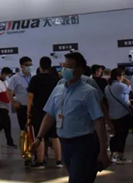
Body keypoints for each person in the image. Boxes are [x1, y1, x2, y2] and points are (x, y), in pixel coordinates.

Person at [31, 52, 110, 183]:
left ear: (80, 70)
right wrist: (39, 137)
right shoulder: (58, 90)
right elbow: (49, 115)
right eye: (64, 66)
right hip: (65, 144)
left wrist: (103, 150)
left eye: (69, 67)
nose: (65, 70)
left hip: (84, 144)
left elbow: (98, 122)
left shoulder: (89, 92)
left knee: (78, 179)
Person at [27, 57, 62, 169]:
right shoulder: (56, 79)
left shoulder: (35, 79)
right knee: (55, 136)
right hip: (54, 110)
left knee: (39, 136)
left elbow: (30, 96)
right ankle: (59, 161)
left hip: (39, 111)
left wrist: (28, 111)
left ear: (40, 66)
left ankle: (40, 162)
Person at [7, 56, 33, 161]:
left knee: (33, 130)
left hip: (33, 107)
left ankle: (35, 152)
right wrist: (13, 102)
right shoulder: (15, 78)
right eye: (27, 65)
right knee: (24, 130)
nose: (29, 67)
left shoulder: (33, 76)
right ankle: (25, 154)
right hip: (22, 107)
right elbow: (8, 91)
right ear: (22, 66)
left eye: (30, 64)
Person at [105, 68, 132, 164]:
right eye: (122, 75)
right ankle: (120, 156)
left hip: (112, 114)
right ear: (118, 76)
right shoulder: (121, 86)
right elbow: (129, 88)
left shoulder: (107, 87)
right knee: (122, 135)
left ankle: (113, 154)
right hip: (122, 114)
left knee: (114, 135)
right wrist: (126, 81)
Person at [0, 67, 16, 148]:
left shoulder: (5, 82)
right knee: (7, 124)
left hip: (6, 106)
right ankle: (9, 141)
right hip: (0, 106)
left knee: (2, 125)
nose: (8, 77)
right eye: (7, 75)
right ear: (3, 74)